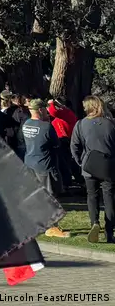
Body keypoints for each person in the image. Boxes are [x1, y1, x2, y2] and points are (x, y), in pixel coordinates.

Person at [21, 99, 70, 237]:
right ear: (41, 110)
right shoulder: (46, 127)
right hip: (45, 165)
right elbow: (56, 145)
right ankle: (52, 227)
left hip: (30, 163)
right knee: (50, 196)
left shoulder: (26, 124)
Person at [73, 96, 115, 244]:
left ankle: (94, 223)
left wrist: (81, 162)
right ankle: (109, 232)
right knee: (109, 198)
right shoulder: (110, 124)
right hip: (108, 166)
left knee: (92, 196)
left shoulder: (80, 124)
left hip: (89, 166)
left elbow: (75, 146)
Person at [49, 100, 81, 191]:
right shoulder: (62, 115)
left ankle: (72, 181)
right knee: (66, 161)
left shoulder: (67, 113)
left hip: (65, 140)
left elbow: (52, 111)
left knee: (67, 162)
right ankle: (73, 180)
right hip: (61, 140)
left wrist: (52, 103)